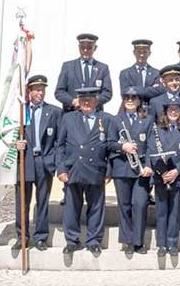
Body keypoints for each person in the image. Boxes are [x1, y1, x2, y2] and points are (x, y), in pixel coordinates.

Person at [56, 86, 117, 255]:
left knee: (96, 207)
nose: (86, 103)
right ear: (78, 102)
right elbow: (59, 146)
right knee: (71, 208)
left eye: (90, 100)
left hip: (96, 169)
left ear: (97, 101)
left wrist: (109, 171)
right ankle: (72, 241)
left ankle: (93, 241)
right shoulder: (68, 119)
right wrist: (61, 169)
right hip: (73, 169)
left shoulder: (106, 119)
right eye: (83, 100)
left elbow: (111, 147)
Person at [12, 75, 61, 251]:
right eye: (36, 89)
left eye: (42, 89)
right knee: (22, 201)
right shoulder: (20, 111)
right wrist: (15, 143)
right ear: (29, 91)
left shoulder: (54, 112)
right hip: (24, 161)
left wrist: (54, 160)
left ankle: (40, 237)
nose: (40, 93)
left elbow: (58, 140)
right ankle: (22, 236)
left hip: (44, 161)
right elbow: (8, 135)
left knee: (42, 201)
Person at [108, 85, 154, 254]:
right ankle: (127, 240)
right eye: (127, 97)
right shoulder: (116, 120)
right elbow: (108, 143)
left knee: (140, 204)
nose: (130, 100)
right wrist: (123, 146)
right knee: (124, 205)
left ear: (139, 101)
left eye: (133, 98)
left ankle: (138, 241)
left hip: (141, 170)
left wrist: (149, 165)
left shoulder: (147, 120)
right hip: (122, 168)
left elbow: (151, 146)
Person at [151, 97, 180, 257]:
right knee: (161, 212)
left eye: (176, 109)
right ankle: (162, 245)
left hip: (178, 177)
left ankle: (173, 243)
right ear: (165, 112)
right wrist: (163, 172)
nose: (173, 112)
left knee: (175, 212)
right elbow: (152, 152)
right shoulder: (157, 130)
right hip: (161, 177)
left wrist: (177, 171)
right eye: (170, 109)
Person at [55, 33, 113, 112]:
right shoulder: (68, 67)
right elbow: (59, 92)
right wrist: (73, 101)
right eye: (83, 47)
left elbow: (107, 93)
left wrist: (94, 101)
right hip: (73, 112)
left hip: (95, 113)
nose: (85, 51)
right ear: (79, 48)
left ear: (95, 48)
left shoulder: (102, 68)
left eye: (89, 48)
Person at [118, 39, 160, 106]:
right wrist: (149, 89)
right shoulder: (125, 73)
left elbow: (158, 91)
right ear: (134, 53)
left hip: (151, 109)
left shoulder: (157, 73)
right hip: (132, 109)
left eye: (145, 52)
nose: (142, 55)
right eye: (139, 52)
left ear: (149, 53)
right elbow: (125, 92)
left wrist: (134, 88)